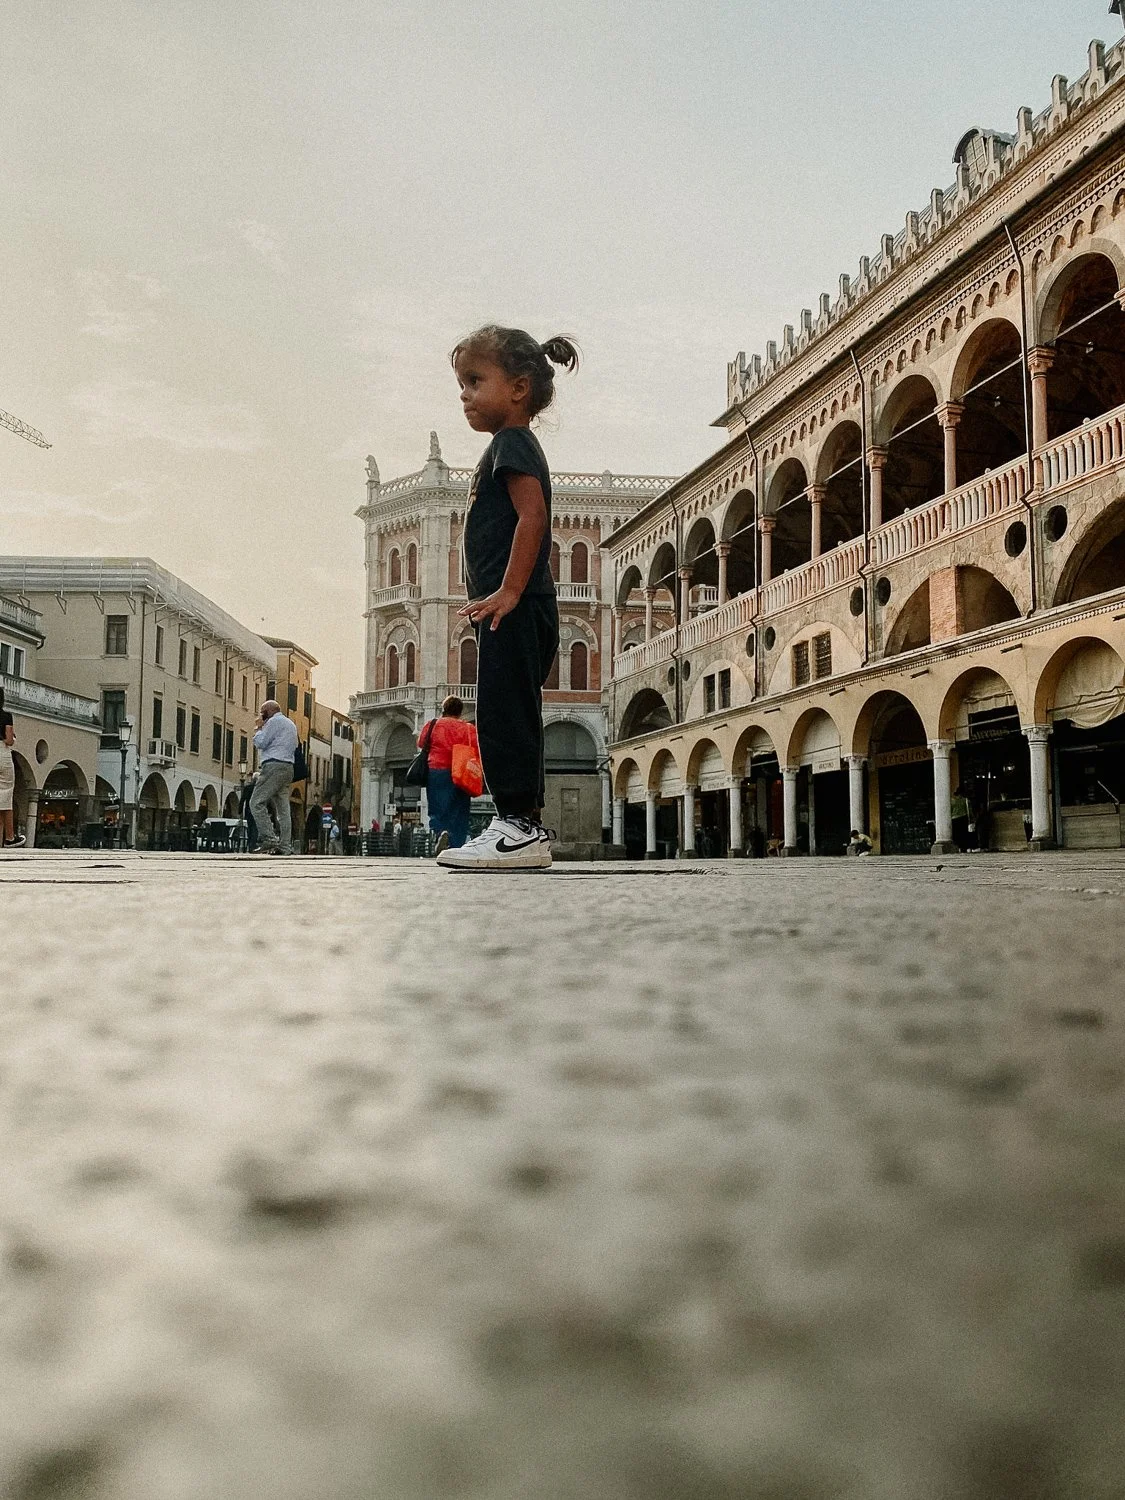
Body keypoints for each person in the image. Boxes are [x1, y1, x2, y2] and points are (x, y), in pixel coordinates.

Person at [437, 325, 578, 871]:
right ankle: (522, 824)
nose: (465, 394)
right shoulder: (506, 446)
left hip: (515, 606)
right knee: (510, 710)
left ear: (518, 388)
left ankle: (518, 827)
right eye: (461, 384)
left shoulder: (512, 443)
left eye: (475, 380)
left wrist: (510, 591)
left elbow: (533, 516)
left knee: (504, 713)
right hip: (514, 606)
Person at [419, 695, 479, 855]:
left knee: (437, 808)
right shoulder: (468, 728)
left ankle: (440, 832)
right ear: (460, 712)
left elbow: (421, 742)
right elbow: (477, 748)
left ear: (443, 709)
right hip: (461, 772)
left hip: (437, 770)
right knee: (460, 810)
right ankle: (456, 847)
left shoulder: (432, 725)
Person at [249, 699, 298, 855]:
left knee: (256, 803)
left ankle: (269, 838)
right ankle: (285, 847)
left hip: (273, 766)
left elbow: (262, 743)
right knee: (284, 810)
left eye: (262, 713)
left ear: (268, 712)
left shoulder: (273, 722)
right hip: (288, 768)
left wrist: (258, 728)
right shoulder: (291, 724)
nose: (262, 715)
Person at [0, 687, 25, 848]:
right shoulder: (5, 716)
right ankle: (9, 837)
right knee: (6, 794)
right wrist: (13, 738)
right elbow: (9, 740)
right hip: (2, 753)